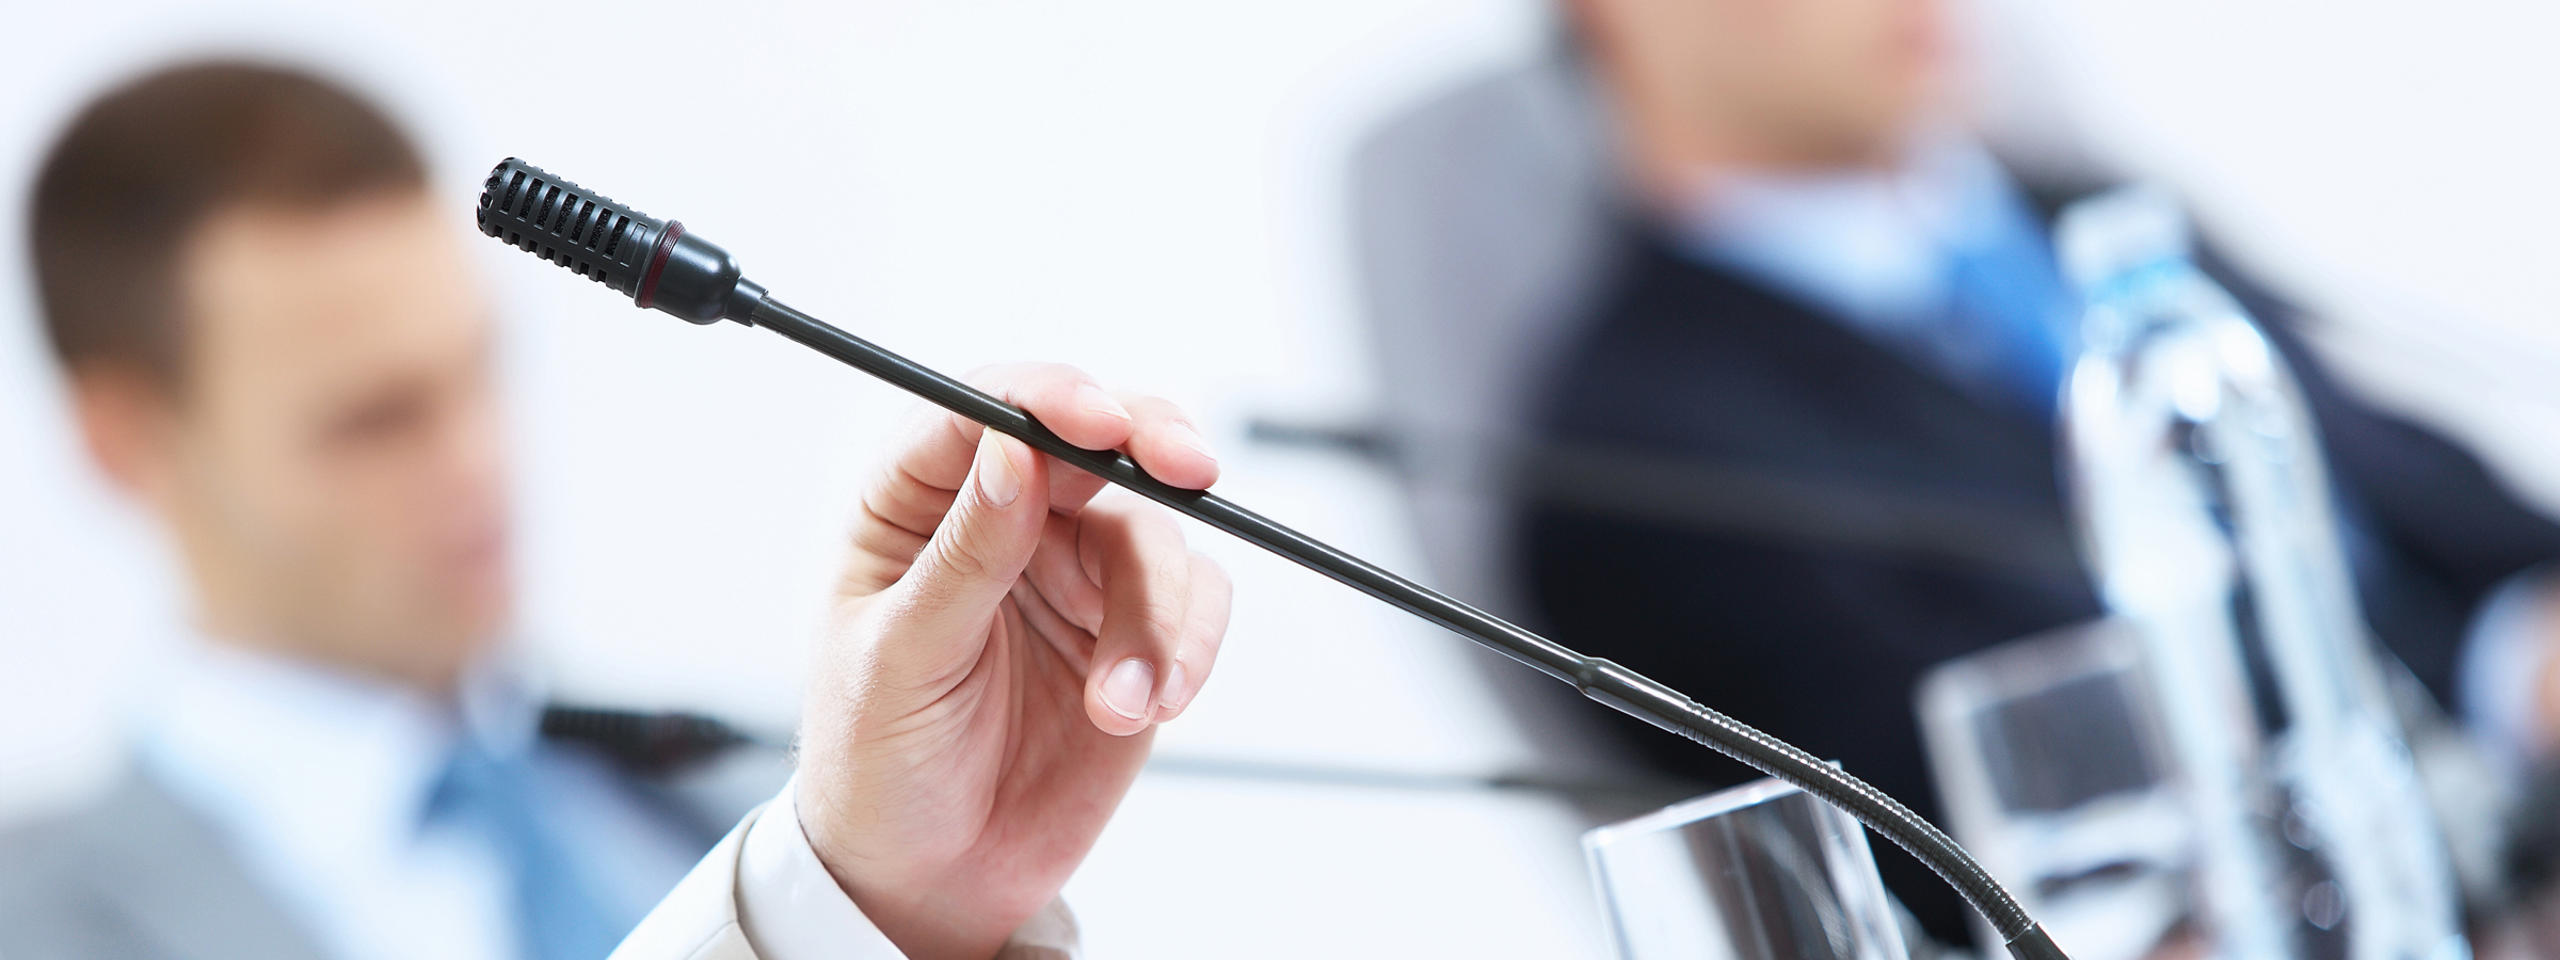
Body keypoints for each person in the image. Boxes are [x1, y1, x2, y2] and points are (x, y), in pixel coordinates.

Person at [1349, 0, 2560, 942]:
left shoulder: (2081, 208)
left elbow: (2446, 510)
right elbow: (2043, 820)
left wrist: (2524, 652)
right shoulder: (1625, 454)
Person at [1, 60, 1230, 960]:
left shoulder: (710, 797)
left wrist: (918, 911)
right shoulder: (47, 921)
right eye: (373, 419)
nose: (474, 462)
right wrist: (836, 906)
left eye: (475, 372)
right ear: (127, 447)